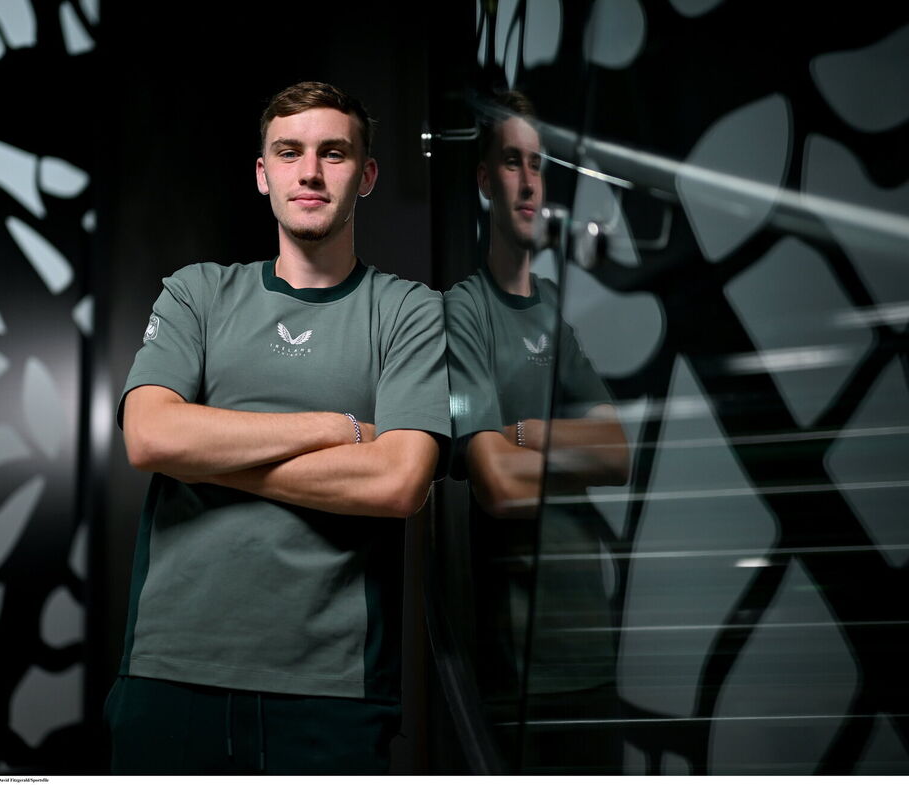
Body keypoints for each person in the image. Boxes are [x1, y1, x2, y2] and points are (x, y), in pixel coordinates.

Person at [107, 81, 450, 775]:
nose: (310, 172)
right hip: (169, 671)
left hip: (333, 688)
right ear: (263, 174)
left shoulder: (409, 312)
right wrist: (337, 428)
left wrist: (206, 457)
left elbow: (398, 481)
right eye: (289, 153)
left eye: (334, 153)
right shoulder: (198, 293)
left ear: (367, 175)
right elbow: (150, 437)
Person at [444, 88, 630, 773]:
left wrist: (524, 433)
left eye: (537, 164)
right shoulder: (461, 312)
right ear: (485, 180)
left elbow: (618, 455)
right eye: (511, 162)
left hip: (593, 655)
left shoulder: (554, 310)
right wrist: (565, 447)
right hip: (519, 673)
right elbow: (496, 485)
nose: (528, 181)